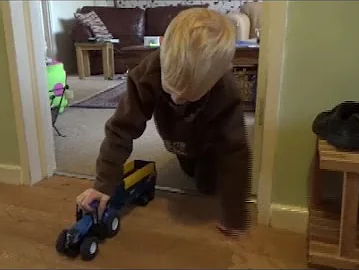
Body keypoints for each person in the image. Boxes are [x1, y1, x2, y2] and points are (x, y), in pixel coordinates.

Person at [76, 8, 252, 237]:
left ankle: (204, 163)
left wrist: (235, 216)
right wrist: (102, 185)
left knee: (209, 184)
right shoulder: (146, 74)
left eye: (188, 96)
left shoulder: (226, 91)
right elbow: (120, 129)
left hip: (211, 141)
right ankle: (189, 158)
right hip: (177, 138)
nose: (177, 100)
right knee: (187, 164)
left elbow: (236, 152)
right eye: (170, 91)